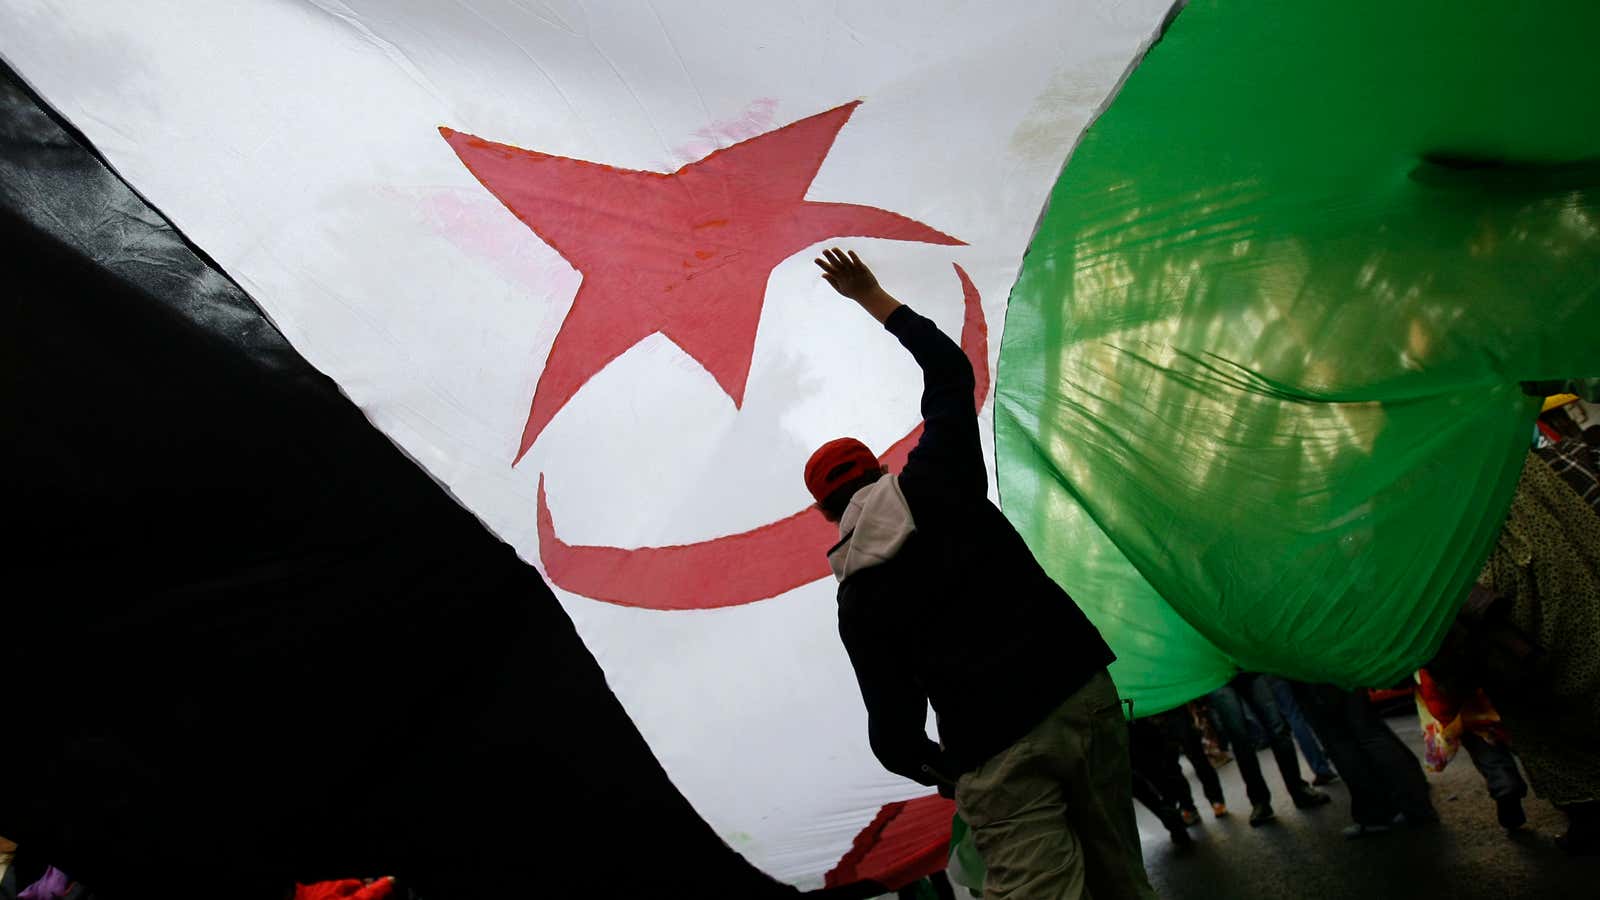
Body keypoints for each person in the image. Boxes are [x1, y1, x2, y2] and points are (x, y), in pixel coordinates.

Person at [808, 248, 1152, 900]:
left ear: (828, 513)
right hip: (1079, 689)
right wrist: (872, 296)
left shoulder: (859, 597)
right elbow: (948, 368)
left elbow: (894, 729)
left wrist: (940, 767)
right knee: (1119, 879)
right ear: (879, 470)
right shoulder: (943, 477)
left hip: (993, 747)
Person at [1290, 683, 1437, 839]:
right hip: (1341, 665)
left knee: (1340, 739)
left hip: (1307, 673)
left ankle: (1374, 814)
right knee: (1368, 728)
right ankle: (1416, 803)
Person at [1206, 673, 1330, 826]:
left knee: (1276, 729)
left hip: (1246, 667)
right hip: (1219, 675)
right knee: (1241, 740)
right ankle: (1262, 801)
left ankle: (1295, 791)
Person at [1265, 676, 1339, 786]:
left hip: (1270, 670)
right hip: (1293, 664)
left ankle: (1321, 769)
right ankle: (1338, 755)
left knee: (1294, 715)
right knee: (1313, 707)